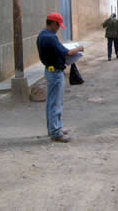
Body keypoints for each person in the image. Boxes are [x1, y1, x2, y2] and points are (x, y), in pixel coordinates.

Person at [37, 13, 84, 143]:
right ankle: (56, 132)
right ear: (53, 23)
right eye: (58, 26)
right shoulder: (50, 37)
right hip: (55, 73)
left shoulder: (43, 35)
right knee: (55, 103)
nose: (58, 28)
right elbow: (67, 52)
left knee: (52, 102)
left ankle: (54, 127)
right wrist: (79, 48)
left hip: (51, 71)